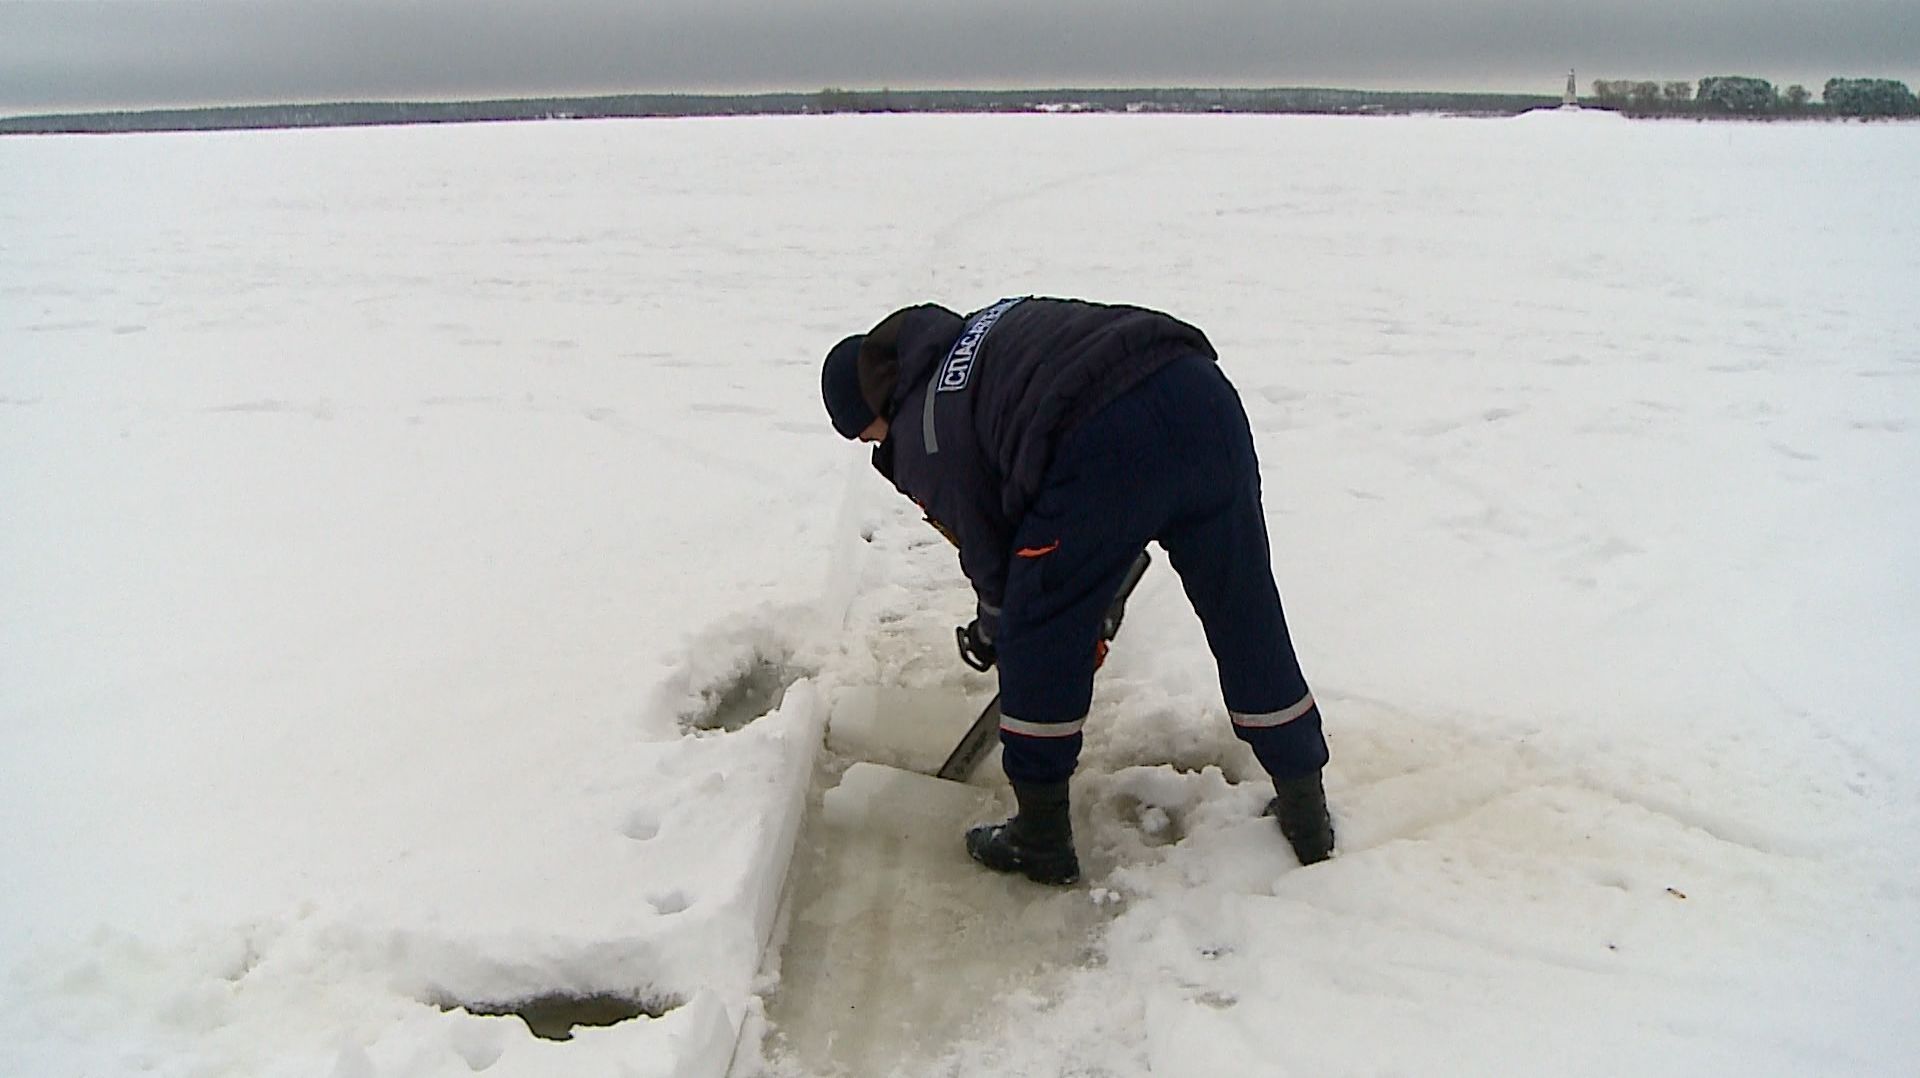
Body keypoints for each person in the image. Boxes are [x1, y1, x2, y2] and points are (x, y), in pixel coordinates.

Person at [821, 296, 1333, 885]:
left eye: (864, 437)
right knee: (1244, 610)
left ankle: (1039, 837)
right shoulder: (977, 336)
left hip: (1106, 438)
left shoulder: (924, 425)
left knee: (1038, 636)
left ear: (871, 409)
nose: (873, 447)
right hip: (1198, 392)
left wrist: (998, 628)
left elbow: (992, 559)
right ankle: (1305, 808)